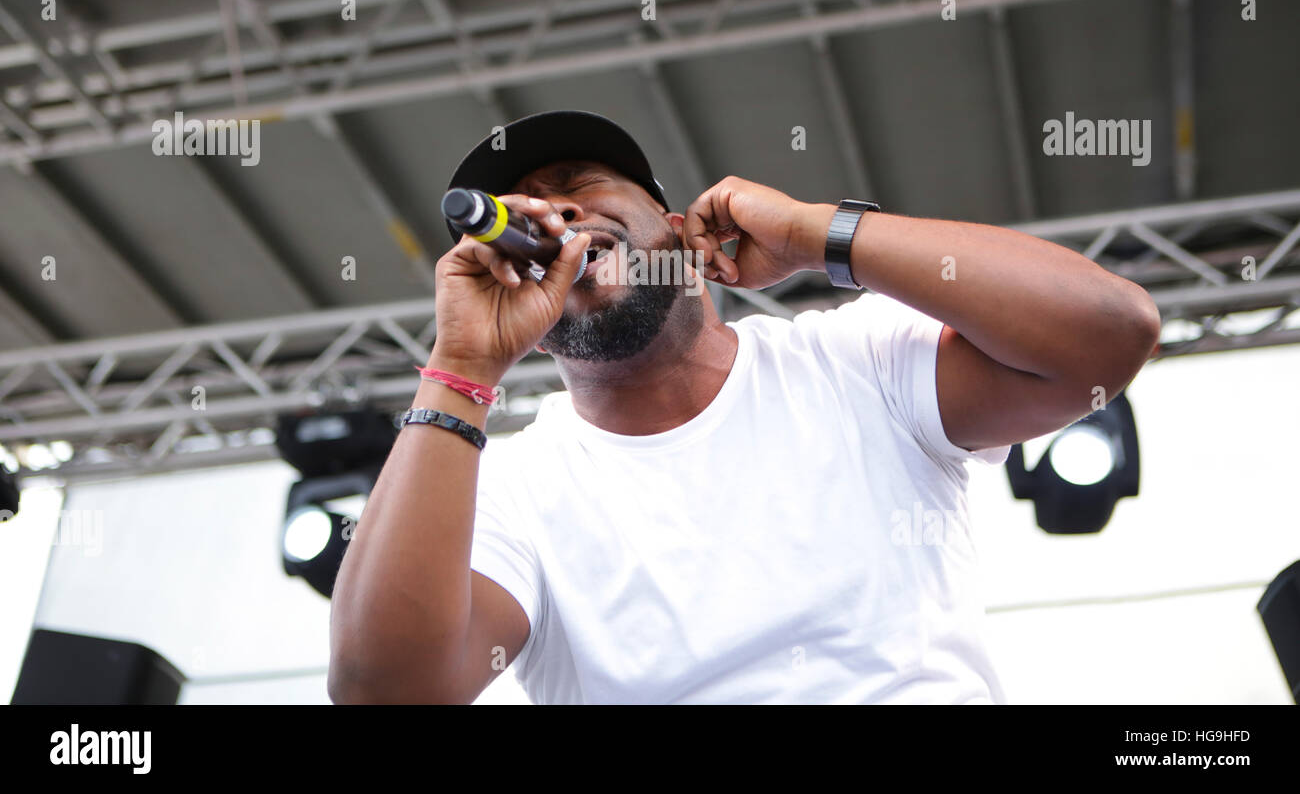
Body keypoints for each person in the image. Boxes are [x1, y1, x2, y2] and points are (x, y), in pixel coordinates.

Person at [328, 110, 1161, 704]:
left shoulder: (856, 360)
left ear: (680, 229)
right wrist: (461, 365)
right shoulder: (511, 489)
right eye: (525, 211)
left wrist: (812, 234)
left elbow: (1109, 332)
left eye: (577, 186)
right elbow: (385, 693)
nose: (556, 213)